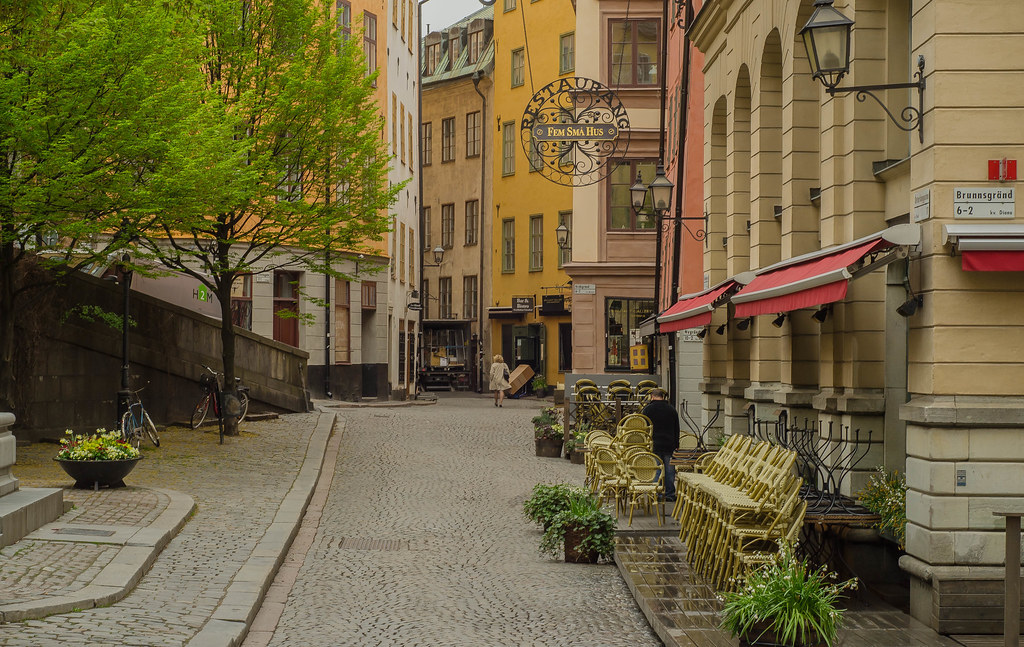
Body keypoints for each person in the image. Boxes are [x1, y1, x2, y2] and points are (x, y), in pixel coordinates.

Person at [641, 388, 680, 501]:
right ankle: (669, 494)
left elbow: (645, 428)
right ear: (662, 397)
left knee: (656, 469)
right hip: (669, 444)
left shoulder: (648, 410)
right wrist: (677, 443)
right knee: (669, 470)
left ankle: (656, 493)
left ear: (652, 397)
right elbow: (676, 428)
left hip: (654, 443)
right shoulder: (671, 409)